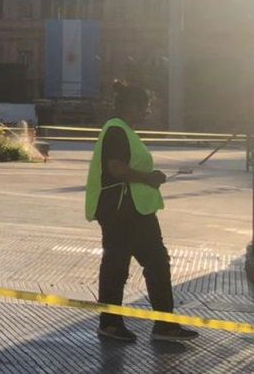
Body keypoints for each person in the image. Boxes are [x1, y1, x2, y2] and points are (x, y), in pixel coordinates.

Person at [86, 81, 198, 343]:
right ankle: (118, 324)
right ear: (131, 106)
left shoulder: (124, 130)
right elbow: (116, 168)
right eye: (145, 105)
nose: (147, 110)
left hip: (133, 210)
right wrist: (148, 178)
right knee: (124, 265)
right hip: (123, 211)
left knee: (148, 262)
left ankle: (159, 324)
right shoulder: (116, 130)